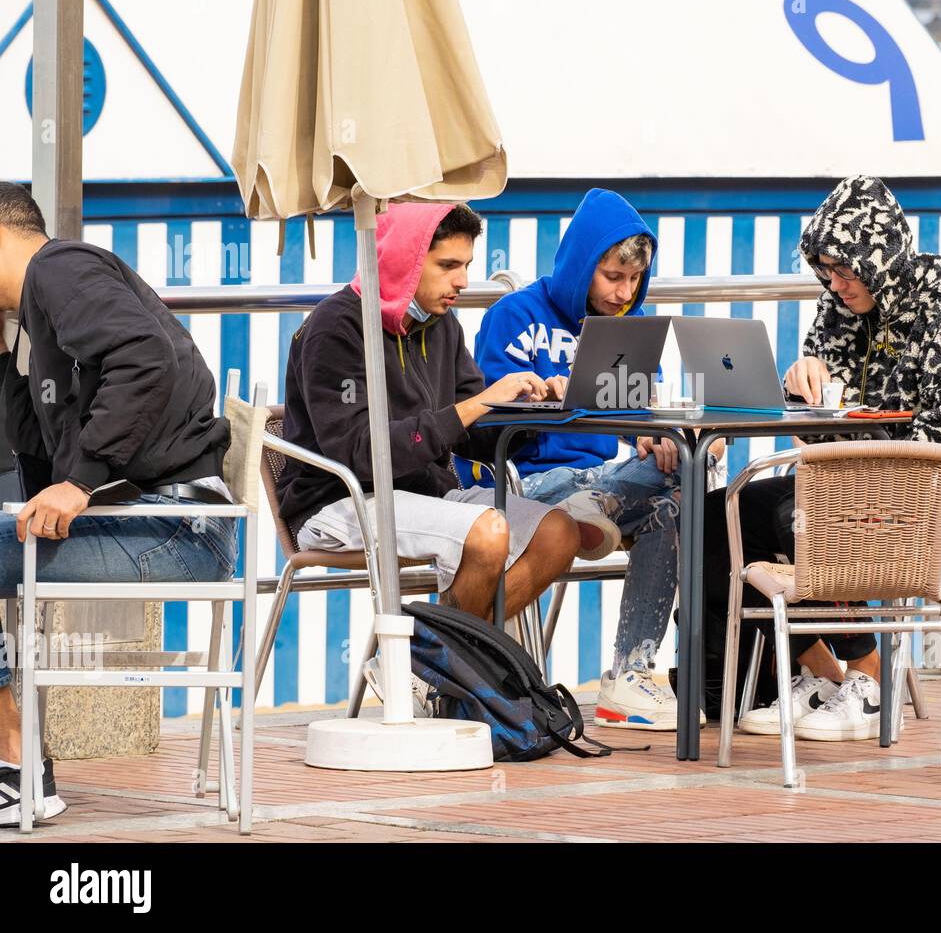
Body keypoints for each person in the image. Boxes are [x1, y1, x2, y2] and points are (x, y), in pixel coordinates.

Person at [701, 175, 941, 741]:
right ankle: (820, 673)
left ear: (884, 258)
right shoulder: (839, 307)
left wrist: (852, 429)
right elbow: (821, 431)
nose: (838, 284)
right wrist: (802, 385)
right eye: (827, 271)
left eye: (848, 270)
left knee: (801, 516)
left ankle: (870, 680)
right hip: (852, 485)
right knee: (719, 511)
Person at [0, 181, 238, 824]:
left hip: (178, 528)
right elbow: (40, 450)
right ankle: (18, 757)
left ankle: (15, 753)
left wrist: (81, 482)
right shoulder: (37, 315)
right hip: (153, 522)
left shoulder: (59, 267)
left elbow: (145, 357)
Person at [277, 202, 582, 633]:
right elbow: (361, 453)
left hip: (428, 495)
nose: (462, 280)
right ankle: (445, 667)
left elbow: (475, 441)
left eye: (467, 265)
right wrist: (479, 403)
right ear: (407, 261)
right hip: (341, 501)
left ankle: (441, 658)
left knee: (558, 534)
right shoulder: (335, 327)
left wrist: (536, 411)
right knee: (487, 532)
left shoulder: (441, 324)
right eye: (447, 265)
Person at [474, 188, 692, 731]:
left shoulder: (629, 331)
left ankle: (629, 674)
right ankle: (591, 504)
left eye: (633, 281)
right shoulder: (513, 316)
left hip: (605, 486)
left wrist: (655, 435)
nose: (623, 293)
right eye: (612, 277)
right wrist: (538, 395)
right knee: (657, 485)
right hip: (531, 487)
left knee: (684, 483)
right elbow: (482, 426)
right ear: (579, 265)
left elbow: (644, 413)